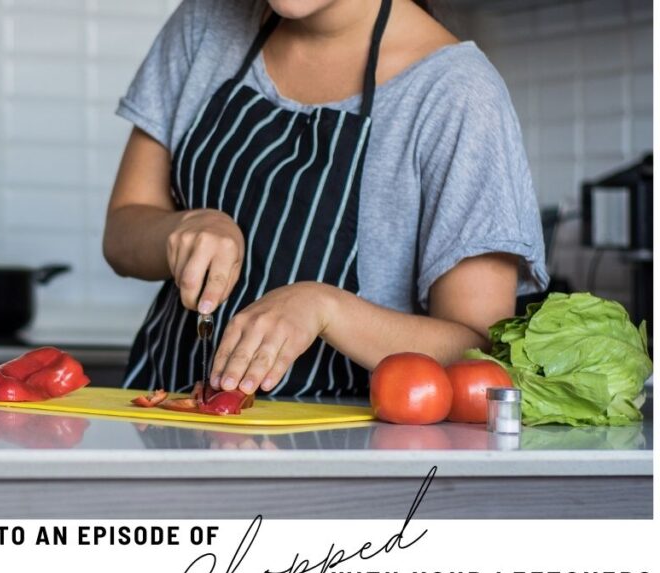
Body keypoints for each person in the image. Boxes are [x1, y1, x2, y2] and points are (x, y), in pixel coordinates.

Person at [103, 0, 547, 398]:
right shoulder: (205, 22)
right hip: (161, 414)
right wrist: (182, 227)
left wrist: (326, 308)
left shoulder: (457, 93)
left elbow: (478, 350)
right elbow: (122, 234)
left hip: (345, 449)